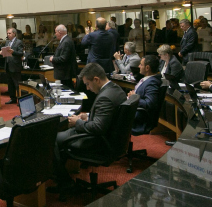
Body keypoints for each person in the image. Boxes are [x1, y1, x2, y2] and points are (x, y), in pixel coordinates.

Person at [47, 63, 126, 195]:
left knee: (51, 139)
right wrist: (88, 116)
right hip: (111, 138)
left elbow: (98, 128)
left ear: (96, 79)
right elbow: (108, 117)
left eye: (88, 84)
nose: (88, 88)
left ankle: (65, 182)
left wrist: (78, 122)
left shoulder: (105, 97)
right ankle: (59, 174)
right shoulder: (116, 90)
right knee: (60, 139)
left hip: (97, 140)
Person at [129, 55, 161, 134]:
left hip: (138, 117)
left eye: (141, 64)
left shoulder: (152, 82)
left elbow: (149, 104)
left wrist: (134, 97)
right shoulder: (148, 79)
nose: (139, 66)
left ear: (147, 68)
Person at [49, 24, 78, 90]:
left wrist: (53, 59)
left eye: (55, 32)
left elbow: (64, 58)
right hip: (64, 73)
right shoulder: (65, 40)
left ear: (59, 32)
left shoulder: (66, 42)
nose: (55, 34)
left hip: (65, 73)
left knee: (67, 90)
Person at [0, 28, 24, 104]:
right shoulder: (7, 42)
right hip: (8, 65)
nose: (8, 35)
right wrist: (1, 52)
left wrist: (14, 52)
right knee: (10, 84)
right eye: (7, 33)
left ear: (14, 33)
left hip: (15, 66)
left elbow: (21, 53)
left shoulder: (19, 42)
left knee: (17, 84)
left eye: (9, 33)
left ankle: (20, 100)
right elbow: (6, 52)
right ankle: (12, 98)